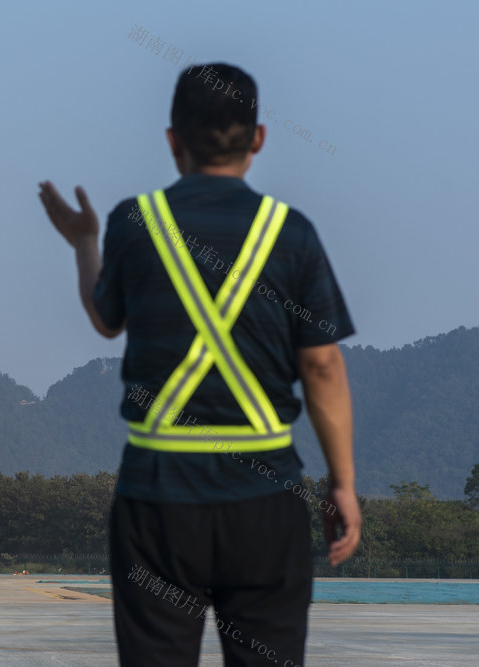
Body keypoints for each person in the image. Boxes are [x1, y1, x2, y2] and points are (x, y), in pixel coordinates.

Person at [39, 62, 361, 666]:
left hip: (157, 501)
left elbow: (106, 319)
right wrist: (341, 484)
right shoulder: (291, 234)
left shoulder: (135, 222)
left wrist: (84, 243)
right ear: (258, 138)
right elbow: (323, 367)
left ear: (172, 140)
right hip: (265, 501)